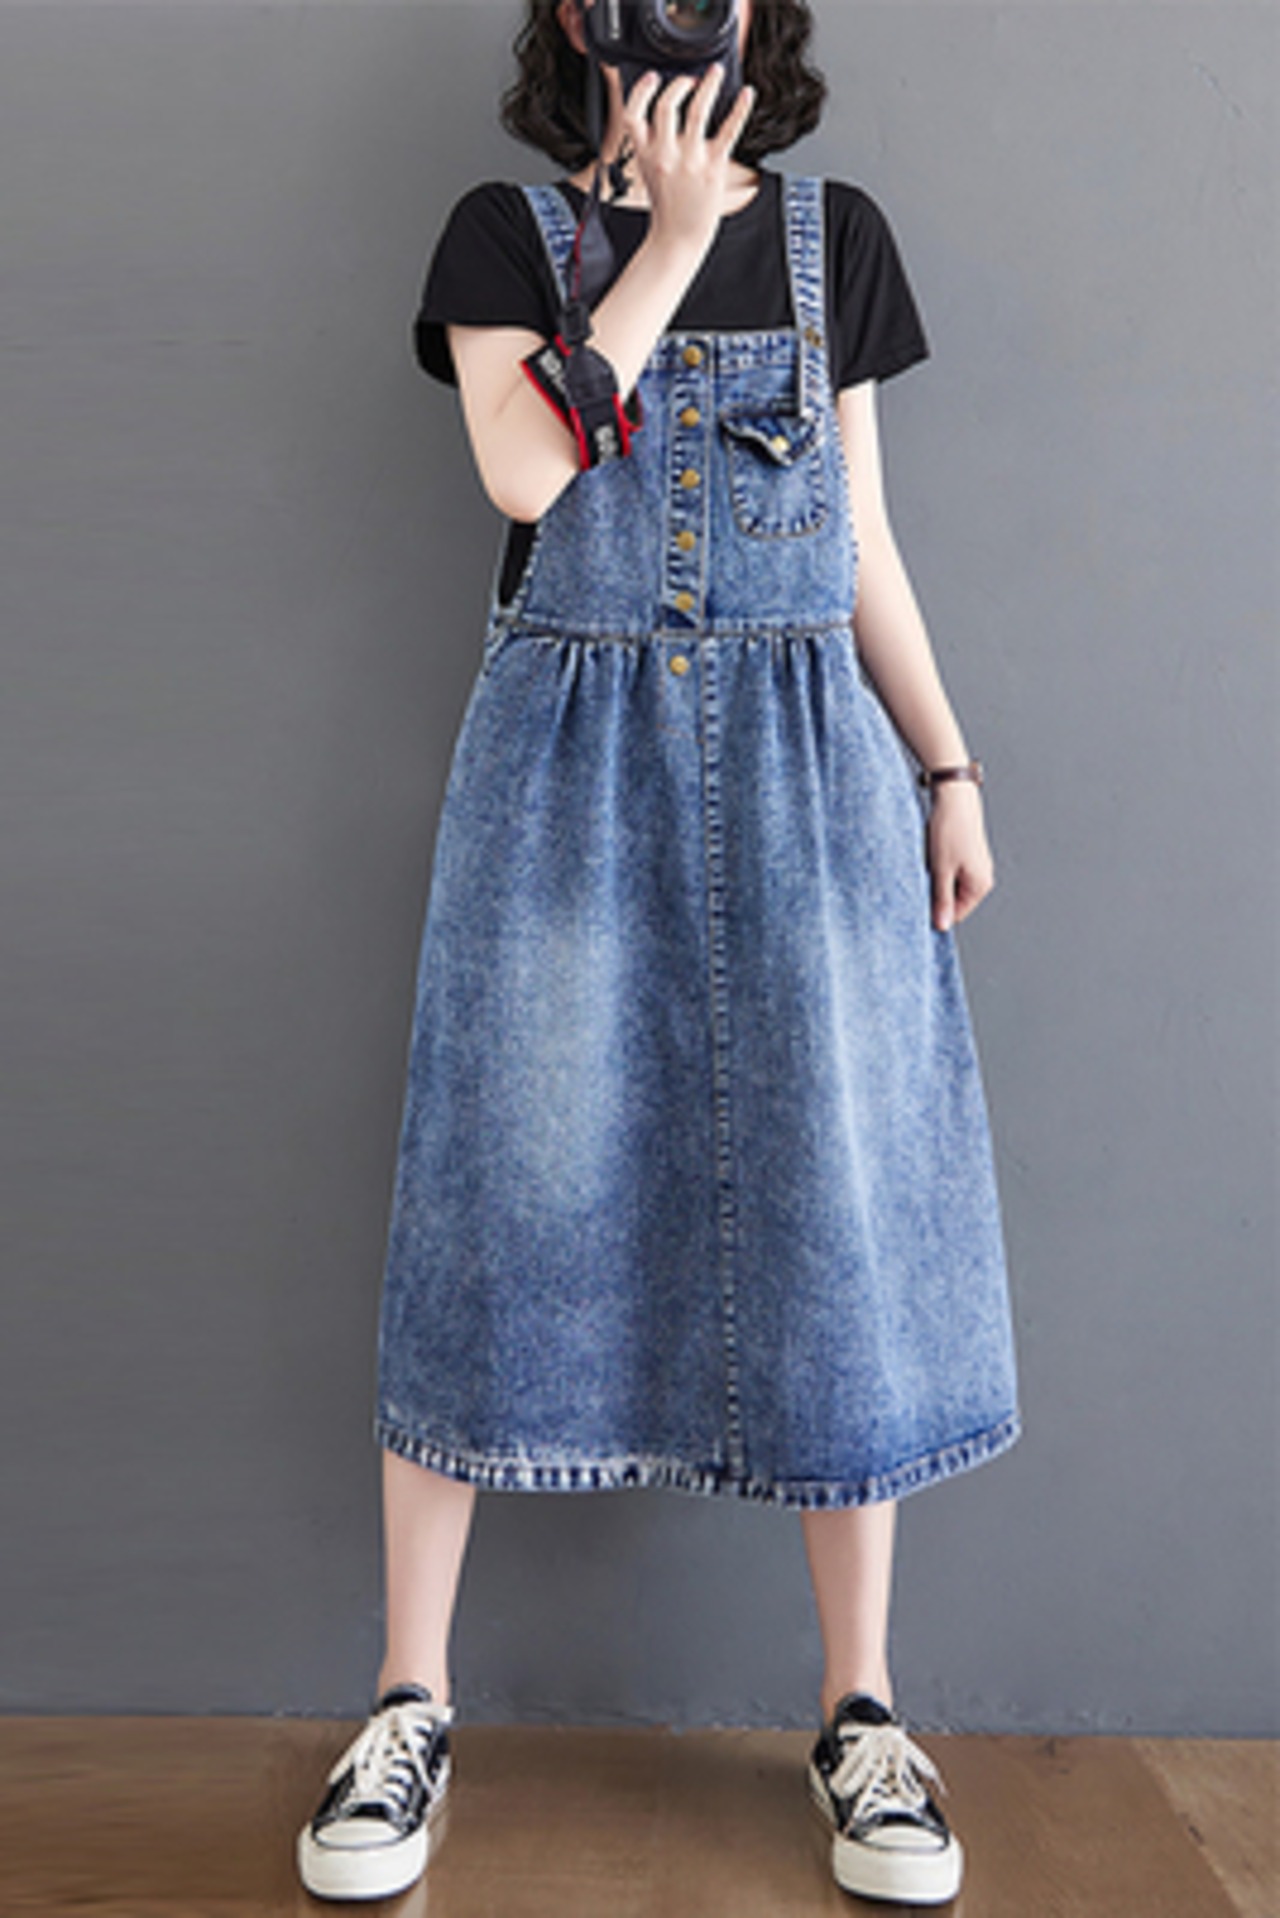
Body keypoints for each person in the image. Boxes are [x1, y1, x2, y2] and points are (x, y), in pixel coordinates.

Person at [296, 0, 1022, 1904]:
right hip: (567, 785)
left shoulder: (837, 240)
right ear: (575, 14)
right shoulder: (501, 236)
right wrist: (671, 236)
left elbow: (862, 538)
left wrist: (947, 763)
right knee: (494, 1201)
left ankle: (863, 1711)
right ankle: (408, 1699)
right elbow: (526, 475)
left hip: (808, 778)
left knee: (837, 1208)